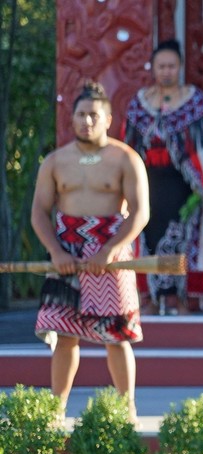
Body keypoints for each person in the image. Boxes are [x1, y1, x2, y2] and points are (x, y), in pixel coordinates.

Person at [31, 81, 149, 424]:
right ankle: (56, 411)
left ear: (108, 118)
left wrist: (109, 250)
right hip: (66, 251)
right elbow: (39, 211)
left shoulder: (126, 158)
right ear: (72, 119)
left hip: (111, 255)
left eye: (94, 115)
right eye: (81, 115)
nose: (87, 121)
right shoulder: (55, 161)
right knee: (64, 334)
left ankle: (127, 410)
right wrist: (55, 251)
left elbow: (140, 212)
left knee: (117, 335)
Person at [122, 39, 203, 315]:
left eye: (171, 66)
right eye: (161, 66)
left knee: (182, 239)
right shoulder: (139, 104)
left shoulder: (195, 103)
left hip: (184, 186)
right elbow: (128, 148)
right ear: (153, 68)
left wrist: (200, 188)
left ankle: (180, 298)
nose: (166, 71)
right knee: (148, 237)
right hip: (149, 184)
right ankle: (150, 297)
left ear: (179, 67)